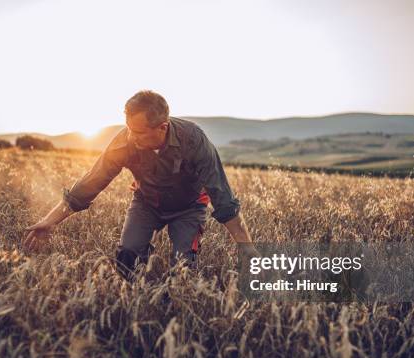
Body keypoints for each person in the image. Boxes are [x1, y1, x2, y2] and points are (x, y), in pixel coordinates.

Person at [22, 90, 259, 282]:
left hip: (189, 207)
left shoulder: (194, 140)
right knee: (127, 258)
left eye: (138, 132)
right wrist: (49, 221)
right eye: (128, 128)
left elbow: (223, 197)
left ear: (162, 127)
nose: (130, 137)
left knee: (184, 270)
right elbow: (89, 184)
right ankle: (138, 300)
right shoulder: (124, 141)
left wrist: (247, 249)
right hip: (147, 203)